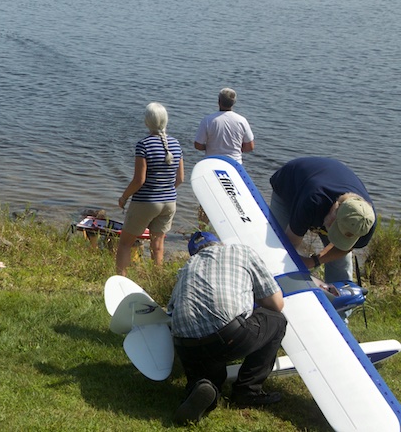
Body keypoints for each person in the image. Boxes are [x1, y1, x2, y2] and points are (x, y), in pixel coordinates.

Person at [168, 231, 287, 424]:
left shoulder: (187, 267)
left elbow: (172, 310)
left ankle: (204, 388)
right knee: (277, 320)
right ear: (220, 244)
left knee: (208, 376)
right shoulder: (242, 252)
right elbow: (276, 304)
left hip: (186, 345)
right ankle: (248, 391)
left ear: (194, 254)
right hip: (227, 337)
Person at [269, 156, 376, 283]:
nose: (333, 235)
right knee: (278, 247)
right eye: (334, 228)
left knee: (340, 262)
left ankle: (341, 293)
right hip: (290, 184)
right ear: (335, 208)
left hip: (321, 185)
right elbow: (290, 245)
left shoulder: (365, 221)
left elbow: (344, 248)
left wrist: (313, 261)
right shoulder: (313, 200)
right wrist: (291, 268)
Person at [116, 102, 183, 275]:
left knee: (125, 243)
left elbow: (139, 180)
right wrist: (165, 190)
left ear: (147, 122)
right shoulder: (176, 144)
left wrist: (124, 198)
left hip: (146, 201)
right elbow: (180, 179)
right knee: (158, 245)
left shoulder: (144, 145)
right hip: (169, 202)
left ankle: (121, 280)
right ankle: (156, 280)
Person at [194, 88, 255, 163]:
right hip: (234, 163)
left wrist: (209, 147)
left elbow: (198, 145)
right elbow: (250, 147)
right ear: (234, 102)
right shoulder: (242, 121)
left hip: (212, 161)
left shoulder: (208, 120)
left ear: (219, 101)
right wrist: (237, 149)